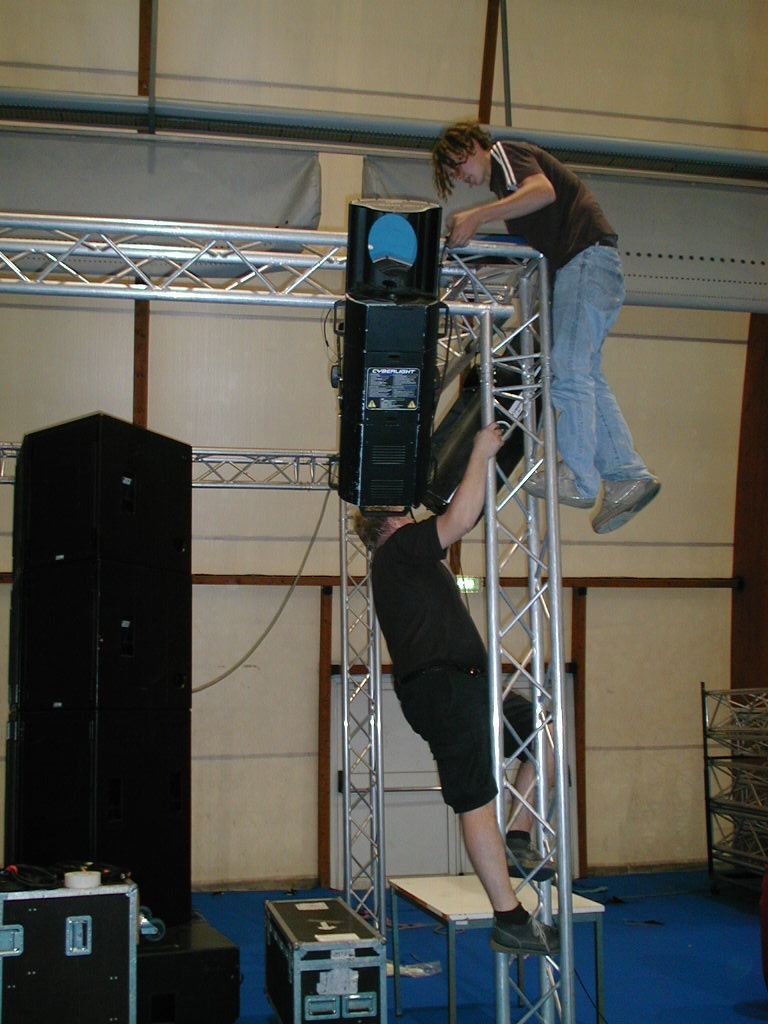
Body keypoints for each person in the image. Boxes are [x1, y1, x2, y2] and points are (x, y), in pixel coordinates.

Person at [353, 423, 559, 956]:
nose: (411, 512)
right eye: (403, 510)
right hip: (445, 689)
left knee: (541, 730)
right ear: (392, 522)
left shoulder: (405, 561)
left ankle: (518, 836)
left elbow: (459, 518)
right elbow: (461, 518)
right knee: (475, 799)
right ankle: (509, 916)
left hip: (465, 685)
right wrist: (480, 453)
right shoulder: (398, 551)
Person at [432, 121, 660, 534]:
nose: (460, 177)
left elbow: (543, 191)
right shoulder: (506, 187)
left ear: (474, 145)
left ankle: (580, 474)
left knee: (567, 366)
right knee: (583, 372)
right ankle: (626, 473)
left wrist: (479, 216)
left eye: (457, 165)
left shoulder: (504, 154)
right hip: (585, 266)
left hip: (585, 261)